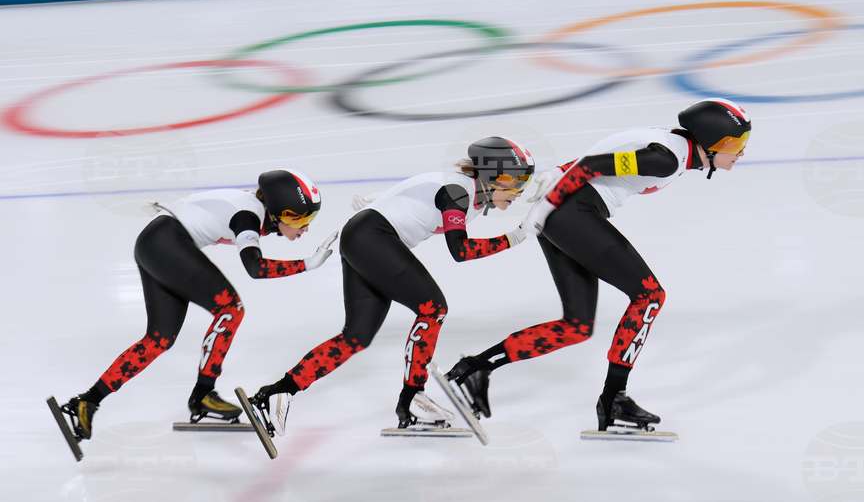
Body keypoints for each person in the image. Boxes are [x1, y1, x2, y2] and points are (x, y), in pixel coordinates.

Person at [446, 99, 751, 431]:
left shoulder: (674, 147)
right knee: (649, 296)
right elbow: (591, 165)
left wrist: (555, 184)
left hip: (567, 210)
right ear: (708, 141)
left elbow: (592, 162)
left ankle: (475, 368)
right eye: (734, 144)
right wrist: (542, 210)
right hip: (569, 212)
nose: (741, 152)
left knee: (576, 326)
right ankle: (614, 398)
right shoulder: (666, 158)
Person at [247, 137, 535, 435]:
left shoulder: (465, 189)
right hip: (373, 237)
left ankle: (276, 393)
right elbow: (460, 251)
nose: (519, 191)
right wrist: (516, 236)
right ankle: (412, 396)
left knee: (356, 337)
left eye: (523, 182)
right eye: (514, 181)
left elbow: (421, 186)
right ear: (491, 176)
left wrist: (384, 199)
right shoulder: (459, 192)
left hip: (364, 236)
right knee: (433, 308)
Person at [53, 170, 339, 443]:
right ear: (278, 212)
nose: (306, 226)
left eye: (309, 218)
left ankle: (87, 403)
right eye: (299, 218)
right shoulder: (248, 215)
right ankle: (203, 393)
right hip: (166, 243)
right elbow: (255, 267)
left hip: (156, 242)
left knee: (158, 340)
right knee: (231, 308)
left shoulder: (254, 208)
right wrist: (307, 264)